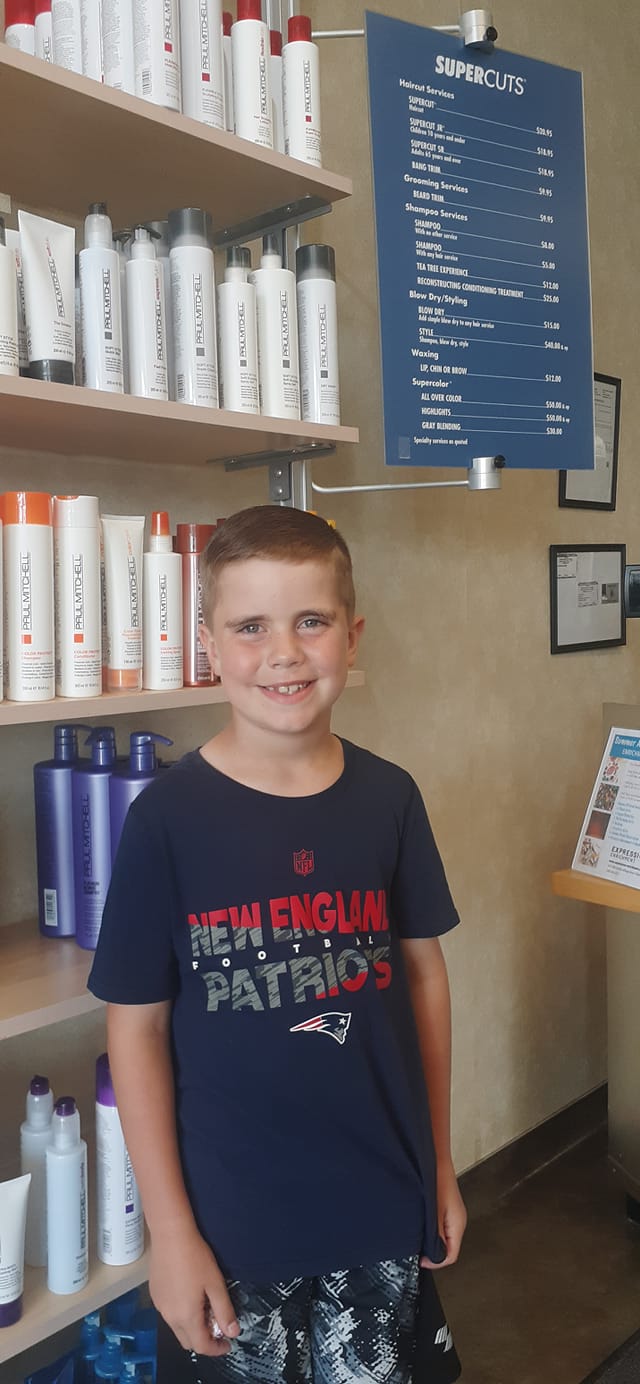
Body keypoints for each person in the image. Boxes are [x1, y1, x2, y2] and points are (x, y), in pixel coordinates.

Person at [88, 505, 467, 1384]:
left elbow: (423, 978)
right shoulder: (165, 821)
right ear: (209, 646)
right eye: (251, 627)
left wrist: (440, 1163)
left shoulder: (390, 799)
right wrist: (171, 1233)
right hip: (231, 1228)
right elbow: (137, 1028)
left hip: (379, 1200)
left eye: (311, 621)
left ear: (352, 635)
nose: (284, 653)